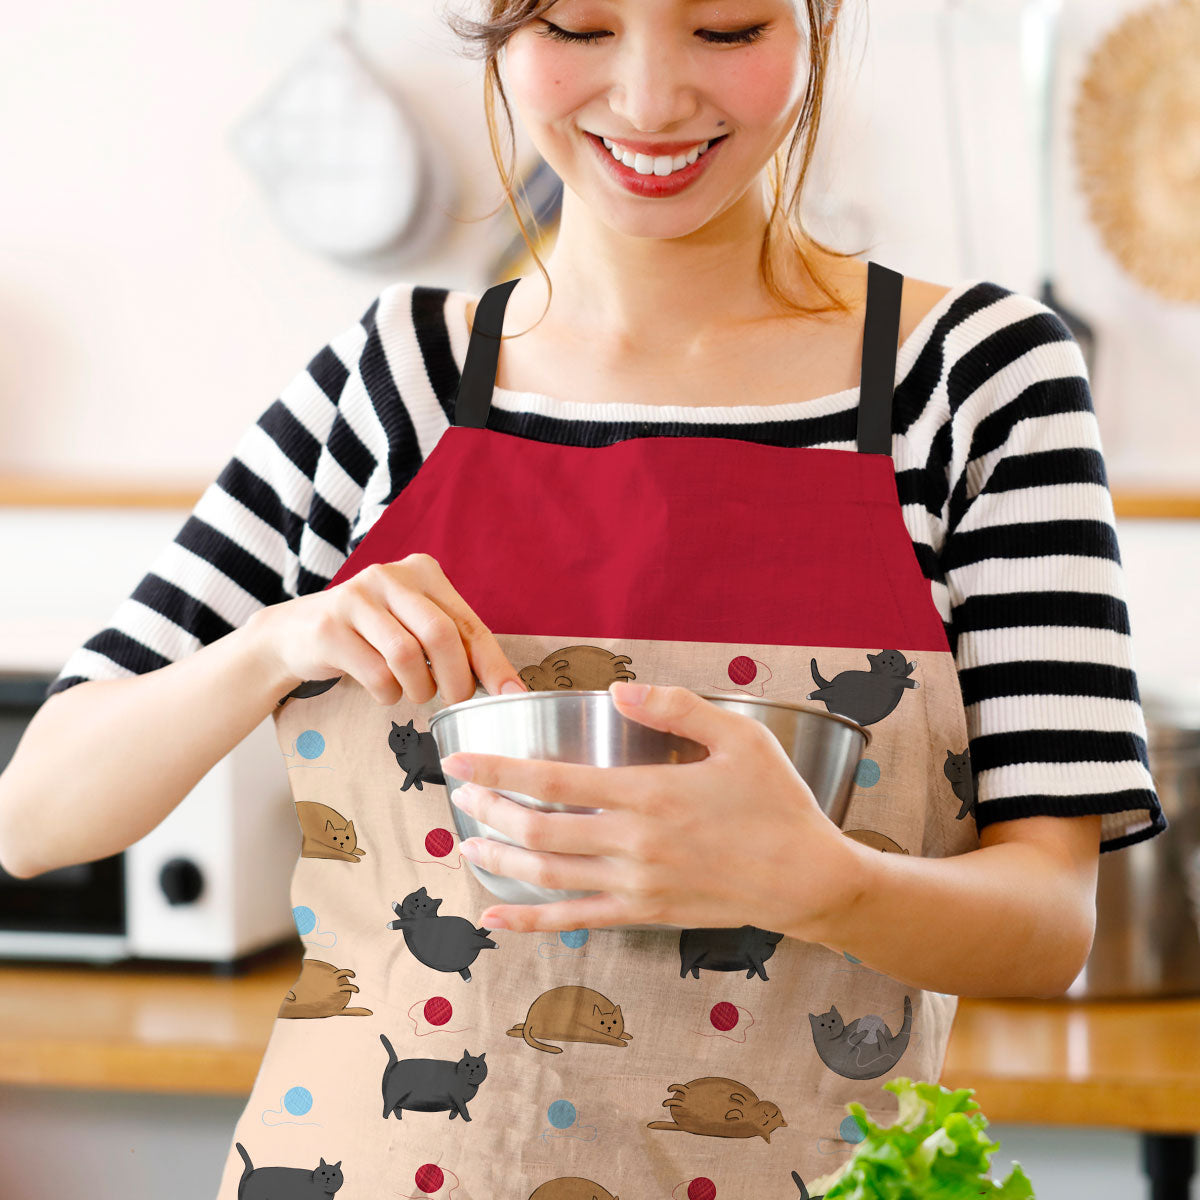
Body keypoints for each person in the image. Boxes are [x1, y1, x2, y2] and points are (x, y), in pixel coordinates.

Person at [0, 0, 1165, 1195]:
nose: (653, 100)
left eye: (727, 28)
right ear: (499, 31)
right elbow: (34, 816)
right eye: (578, 25)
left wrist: (822, 883)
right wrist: (271, 640)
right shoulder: (393, 382)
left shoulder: (974, 383)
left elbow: (1047, 923)